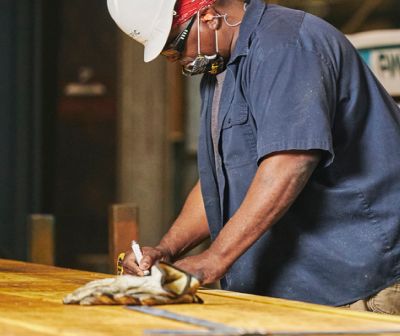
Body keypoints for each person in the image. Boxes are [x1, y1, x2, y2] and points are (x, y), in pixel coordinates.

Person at [107, 0, 400, 313]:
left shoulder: (286, 46)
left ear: (208, 16)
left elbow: (289, 164)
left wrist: (213, 259)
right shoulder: (222, 68)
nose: (177, 59)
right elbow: (224, 182)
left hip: (360, 284)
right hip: (301, 292)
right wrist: (167, 249)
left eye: (174, 46)